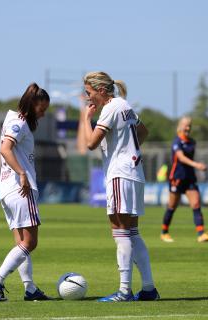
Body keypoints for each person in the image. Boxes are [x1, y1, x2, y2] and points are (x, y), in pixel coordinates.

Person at [81, 71, 159, 302]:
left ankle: (124, 291)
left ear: (102, 91)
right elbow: (143, 132)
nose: (88, 98)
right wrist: (129, 150)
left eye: (89, 93)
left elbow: (90, 143)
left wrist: (86, 120)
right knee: (133, 232)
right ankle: (148, 289)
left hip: (119, 174)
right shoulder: (125, 105)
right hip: (134, 172)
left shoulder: (110, 108)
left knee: (120, 232)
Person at [0, 83, 51, 302]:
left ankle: (30, 289)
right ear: (33, 104)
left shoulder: (12, 120)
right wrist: (21, 173)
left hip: (8, 190)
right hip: (21, 189)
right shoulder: (19, 122)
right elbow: (5, 149)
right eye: (42, 109)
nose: (43, 114)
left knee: (21, 243)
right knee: (30, 243)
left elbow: (1, 152)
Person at [160, 116, 208, 243]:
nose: (188, 128)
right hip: (177, 177)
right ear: (180, 126)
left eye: (189, 125)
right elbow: (181, 158)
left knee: (196, 204)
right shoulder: (176, 142)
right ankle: (164, 232)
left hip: (190, 178)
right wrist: (197, 165)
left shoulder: (192, 142)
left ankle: (201, 234)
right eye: (185, 125)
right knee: (172, 206)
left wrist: (195, 167)